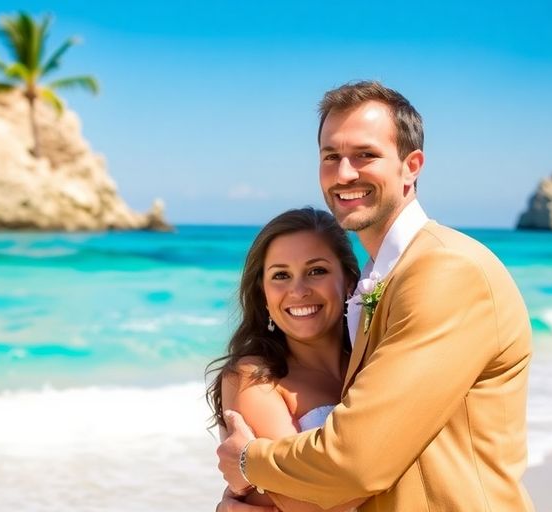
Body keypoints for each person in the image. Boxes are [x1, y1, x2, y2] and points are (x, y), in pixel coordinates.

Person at [215, 81, 534, 511]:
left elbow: (358, 463)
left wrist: (248, 462)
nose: (344, 174)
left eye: (365, 155)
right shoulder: (379, 285)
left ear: (411, 166)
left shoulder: (445, 271)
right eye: (331, 157)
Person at [207, 207, 367, 512]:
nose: (298, 290)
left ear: (348, 280)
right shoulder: (254, 378)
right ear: (263, 293)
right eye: (281, 275)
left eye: (316, 270)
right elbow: (303, 501)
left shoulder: (375, 363)